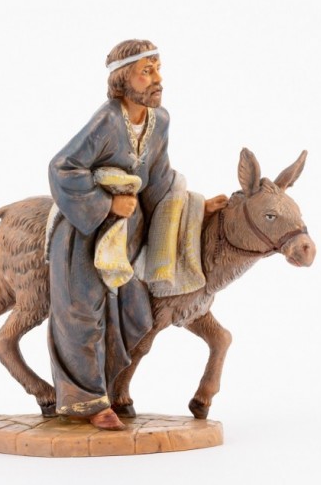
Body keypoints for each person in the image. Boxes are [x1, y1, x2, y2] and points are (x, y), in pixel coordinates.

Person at [47, 39, 227, 431]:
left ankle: (111, 387)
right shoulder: (107, 121)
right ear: (122, 80)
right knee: (82, 312)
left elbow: (159, 180)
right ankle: (86, 402)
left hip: (129, 233)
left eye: (158, 68)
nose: (157, 79)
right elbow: (62, 168)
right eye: (146, 71)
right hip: (85, 233)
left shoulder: (160, 121)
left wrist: (196, 208)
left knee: (137, 314)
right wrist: (108, 203)